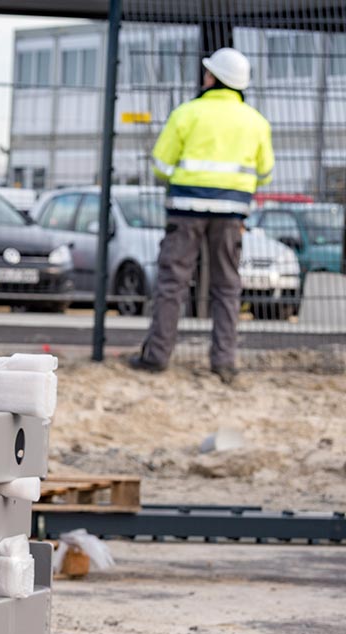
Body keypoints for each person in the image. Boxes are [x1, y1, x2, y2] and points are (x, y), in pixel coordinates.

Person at [130, 47, 273, 386]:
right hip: (231, 215)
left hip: (186, 210)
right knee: (227, 286)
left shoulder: (186, 114)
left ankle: (157, 357)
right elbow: (265, 173)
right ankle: (223, 362)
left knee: (172, 283)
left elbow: (161, 165)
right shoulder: (256, 121)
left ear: (212, 78)